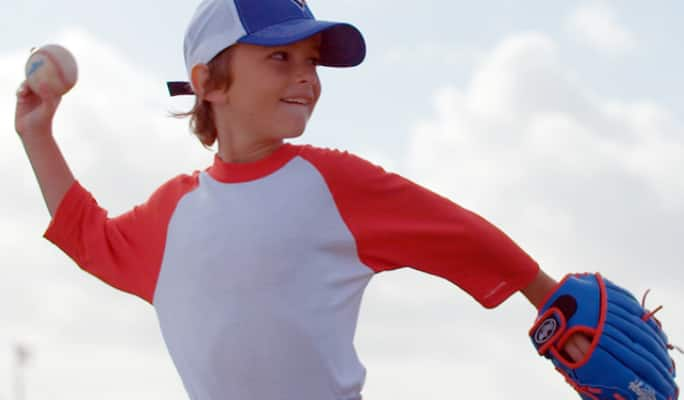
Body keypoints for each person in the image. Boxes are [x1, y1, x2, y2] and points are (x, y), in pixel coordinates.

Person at [15, 0, 592, 398]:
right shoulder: (171, 213)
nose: (307, 78)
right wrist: (37, 134)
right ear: (209, 83)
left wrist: (553, 302)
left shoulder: (334, 182)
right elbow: (90, 236)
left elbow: (459, 233)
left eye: (311, 60)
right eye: (279, 58)